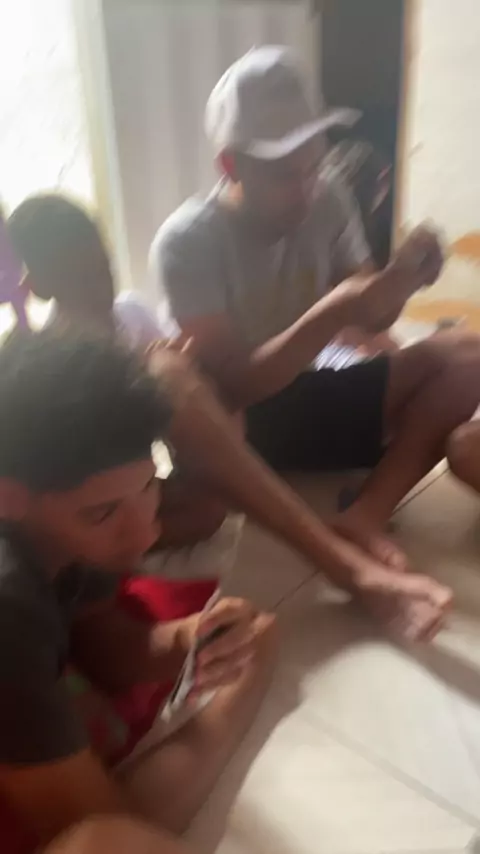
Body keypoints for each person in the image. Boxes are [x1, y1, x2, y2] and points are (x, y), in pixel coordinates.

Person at [7, 193, 452, 642]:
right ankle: (345, 566)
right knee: (168, 381)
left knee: (207, 502)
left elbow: (191, 419)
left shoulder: (131, 316)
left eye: (101, 266)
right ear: (38, 287)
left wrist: (186, 374)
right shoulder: (42, 365)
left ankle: (109, 550)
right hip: (83, 505)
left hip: (136, 488)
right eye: (78, 277)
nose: (98, 285)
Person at [151, 44, 480, 574]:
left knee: (469, 356)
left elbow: (372, 317)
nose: (305, 191)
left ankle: (366, 515)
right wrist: (336, 310)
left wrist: (401, 280)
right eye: (285, 175)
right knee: (211, 431)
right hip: (239, 428)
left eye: (313, 167)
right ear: (231, 165)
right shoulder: (188, 241)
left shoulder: (327, 198)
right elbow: (235, 386)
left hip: (306, 391)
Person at [0, 328, 276, 851]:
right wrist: (238, 692)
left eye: (149, 485)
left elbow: (100, 639)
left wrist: (188, 639)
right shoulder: (8, 606)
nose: (145, 535)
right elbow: (111, 832)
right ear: (9, 499)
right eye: (103, 513)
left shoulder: (70, 532)